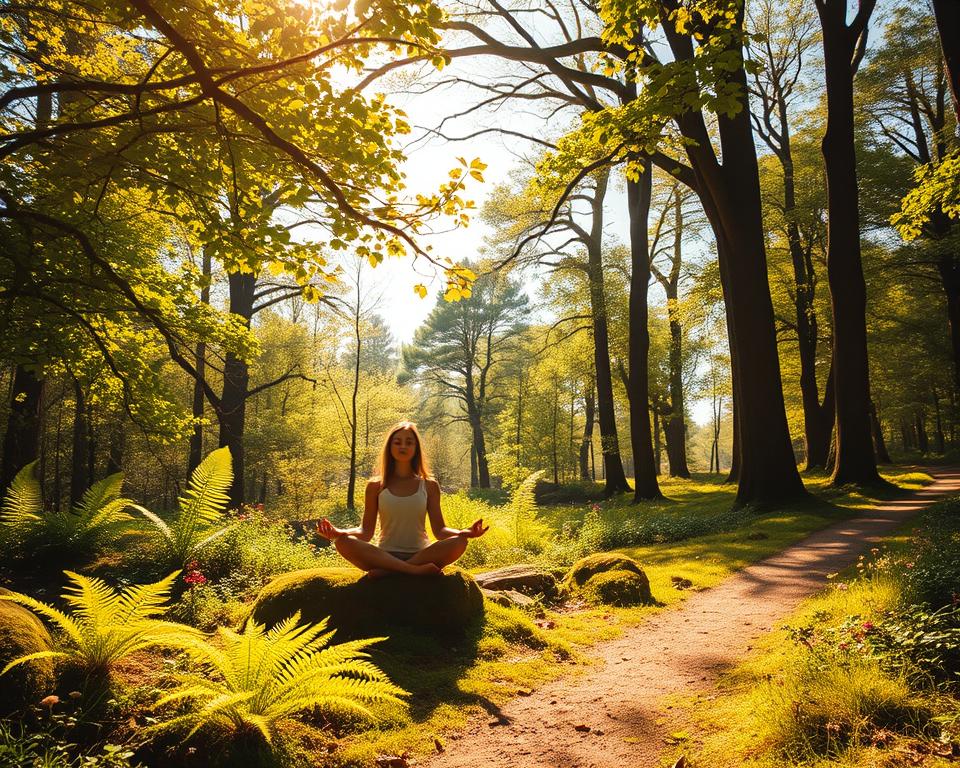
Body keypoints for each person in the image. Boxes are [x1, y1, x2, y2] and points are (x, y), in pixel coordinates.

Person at [316, 421, 488, 576]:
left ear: (416, 448)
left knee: (459, 542)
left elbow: (440, 530)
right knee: (343, 542)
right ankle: (411, 570)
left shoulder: (429, 485)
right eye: (397, 442)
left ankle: (391, 571)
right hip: (384, 555)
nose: (403, 446)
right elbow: (365, 532)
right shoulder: (376, 486)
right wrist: (339, 533)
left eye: (409, 442)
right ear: (390, 447)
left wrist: (464, 532)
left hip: (421, 554)